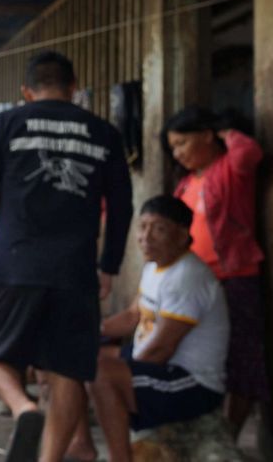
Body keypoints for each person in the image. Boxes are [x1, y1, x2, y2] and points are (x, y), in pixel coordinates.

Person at [0, 50, 133, 462]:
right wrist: (109, 264)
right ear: (73, 88)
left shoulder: (6, 123)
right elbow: (122, 205)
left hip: (14, 263)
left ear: (26, 91)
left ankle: (24, 408)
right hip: (75, 271)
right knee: (69, 370)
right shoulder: (104, 133)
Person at [90, 195, 229, 462]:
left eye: (159, 229)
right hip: (160, 368)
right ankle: (80, 445)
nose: (146, 237)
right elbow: (132, 316)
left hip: (192, 383)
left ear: (181, 234)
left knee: (100, 375)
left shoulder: (187, 276)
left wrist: (124, 374)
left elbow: (161, 351)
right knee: (73, 358)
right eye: (143, 227)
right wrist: (87, 333)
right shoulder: (155, 266)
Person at [163, 105, 267, 438]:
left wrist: (224, 130)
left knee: (240, 356)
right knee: (199, 357)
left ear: (207, 136)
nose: (178, 153)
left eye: (182, 143)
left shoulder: (230, 169)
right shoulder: (186, 184)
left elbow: (250, 151)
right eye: (173, 147)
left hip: (234, 277)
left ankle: (229, 434)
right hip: (195, 282)